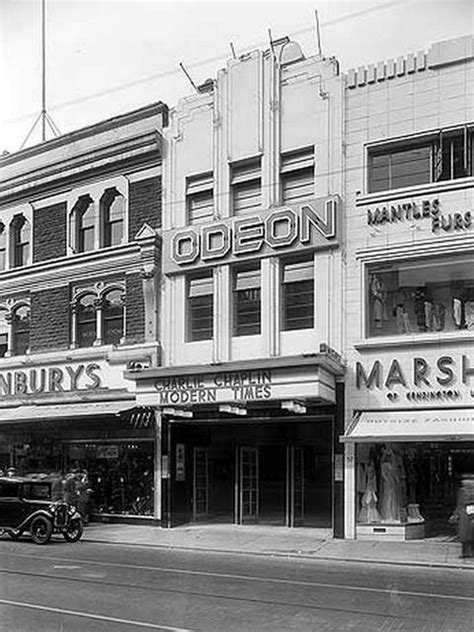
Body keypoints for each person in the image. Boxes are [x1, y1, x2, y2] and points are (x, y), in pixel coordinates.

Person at [451, 474, 474, 558]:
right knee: (469, 534)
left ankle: (466, 553)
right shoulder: (463, 491)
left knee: (466, 535)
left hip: (465, 513)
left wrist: (455, 513)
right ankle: (469, 552)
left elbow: (460, 503)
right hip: (466, 513)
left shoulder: (462, 491)